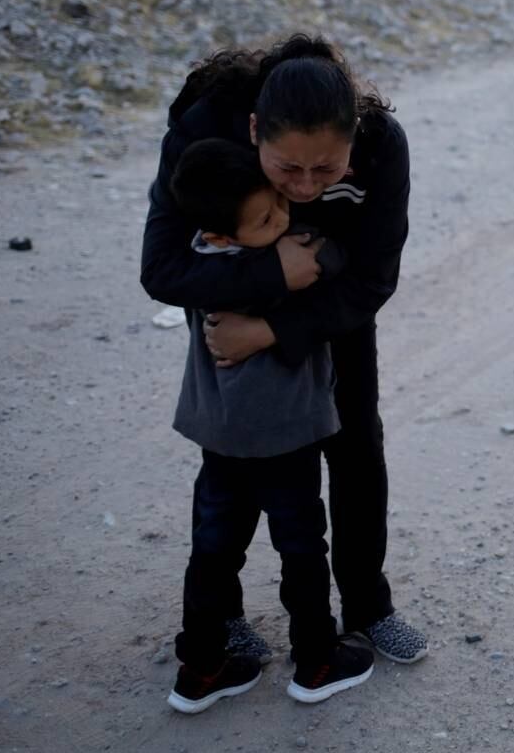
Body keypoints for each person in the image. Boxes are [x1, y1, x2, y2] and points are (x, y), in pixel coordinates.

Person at [140, 35, 427, 665]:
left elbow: (374, 279)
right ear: (252, 132)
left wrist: (276, 327)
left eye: (326, 170)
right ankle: (224, 620)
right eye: (286, 168)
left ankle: (367, 608)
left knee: (354, 445)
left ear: (353, 135)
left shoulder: (383, 146)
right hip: (231, 310)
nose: (304, 186)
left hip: (331, 310)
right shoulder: (204, 130)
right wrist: (272, 276)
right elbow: (160, 268)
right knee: (234, 466)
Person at [164, 138, 374, 713]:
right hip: (286, 437)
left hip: (220, 439)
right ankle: (317, 660)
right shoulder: (285, 262)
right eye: (266, 216)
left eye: (278, 208)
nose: (283, 217)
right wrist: (298, 255)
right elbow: (333, 259)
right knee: (302, 546)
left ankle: (201, 667)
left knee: (212, 551)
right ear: (222, 235)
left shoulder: (199, 267)